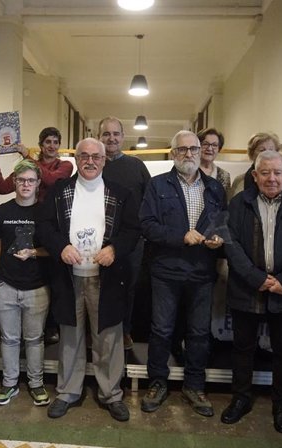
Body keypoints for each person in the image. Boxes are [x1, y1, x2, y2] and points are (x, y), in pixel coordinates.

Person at [36, 138, 140, 422]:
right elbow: (43, 226)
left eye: (96, 156)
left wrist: (114, 249)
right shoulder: (60, 190)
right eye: (84, 156)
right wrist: (61, 247)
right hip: (69, 278)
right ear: (77, 159)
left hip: (107, 279)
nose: (90, 161)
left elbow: (133, 230)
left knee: (108, 338)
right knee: (70, 336)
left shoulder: (121, 193)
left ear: (104, 160)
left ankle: (111, 395)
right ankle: (68, 392)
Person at [221, 150, 282, 434]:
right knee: (242, 349)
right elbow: (231, 244)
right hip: (246, 289)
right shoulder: (239, 203)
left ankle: (281, 405)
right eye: (265, 173)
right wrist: (257, 278)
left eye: (277, 172)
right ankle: (240, 399)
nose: (271, 178)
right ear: (254, 176)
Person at [139, 130, 226, 417]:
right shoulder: (157, 185)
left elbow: (222, 225)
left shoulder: (215, 188)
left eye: (194, 149)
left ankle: (194, 385)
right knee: (162, 330)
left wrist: (217, 240)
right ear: (173, 153)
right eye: (183, 149)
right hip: (166, 270)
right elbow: (147, 226)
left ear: (201, 152)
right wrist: (181, 236)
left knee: (200, 332)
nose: (189, 154)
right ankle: (157, 382)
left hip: (202, 271)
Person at [0, 160, 51, 407]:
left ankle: (36, 384)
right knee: (9, 338)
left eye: (30, 180)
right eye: (21, 180)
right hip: (6, 285)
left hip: (37, 287)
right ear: (14, 182)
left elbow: (54, 248)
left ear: (38, 184)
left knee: (35, 339)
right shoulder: (3, 211)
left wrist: (33, 253)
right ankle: (9, 384)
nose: (26, 185)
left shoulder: (46, 211)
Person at [98, 116, 151, 350]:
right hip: (98, 239)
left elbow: (150, 200)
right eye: (106, 134)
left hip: (131, 240)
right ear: (99, 137)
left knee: (128, 287)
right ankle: (96, 332)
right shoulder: (93, 165)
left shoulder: (136, 166)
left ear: (123, 136)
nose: (111, 138)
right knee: (96, 287)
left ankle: (125, 330)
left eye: (116, 134)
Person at [0, 126, 74, 202]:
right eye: (48, 142)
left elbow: (51, 180)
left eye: (55, 142)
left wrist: (26, 156)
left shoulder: (66, 166)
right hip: (30, 217)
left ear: (59, 145)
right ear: (41, 145)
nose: (52, 146)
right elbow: (2, 188)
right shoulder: (28, 166)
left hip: (55, 218)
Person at [229, 132, 280, 199]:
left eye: (271, 150)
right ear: (252, 154)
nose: (267, 154)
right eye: (262, 150)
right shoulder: (240, 181)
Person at [197, 127, 231, 197]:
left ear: (219, 149)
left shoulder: (224, 176)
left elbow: (226, 203)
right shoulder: (189, 171)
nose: (209, 148)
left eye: (214, 145)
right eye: (205, 144)